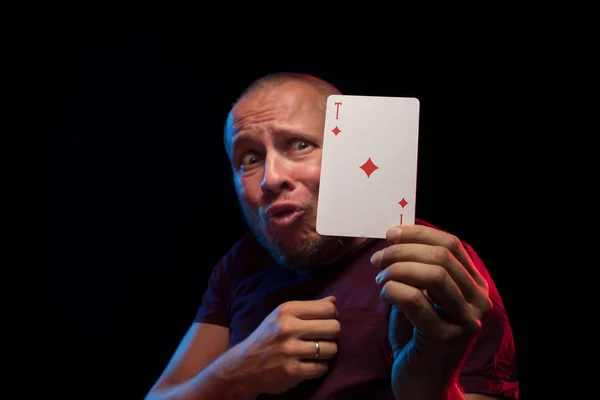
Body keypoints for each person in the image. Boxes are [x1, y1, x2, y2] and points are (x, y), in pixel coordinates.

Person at [144, 73, 519, 399]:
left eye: (300, 145)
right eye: (250, 158)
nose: (271, 178)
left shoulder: (432, 264)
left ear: (352, 149)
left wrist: (428, 389)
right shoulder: (240, 263)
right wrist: (236, 375)